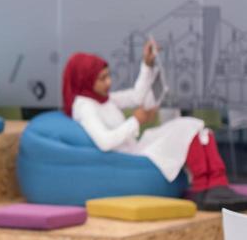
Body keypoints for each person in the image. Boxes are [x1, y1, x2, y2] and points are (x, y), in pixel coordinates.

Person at [62, 41, 234, 201]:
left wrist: (147, 64)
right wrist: (136, 120)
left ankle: (217, 183)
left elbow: (137, 96)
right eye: (102, 78)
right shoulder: (85, 106)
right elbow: (105, 142)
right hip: (130, 158)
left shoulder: (101, 99)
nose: (109, 82)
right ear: (85, 79)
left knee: (195, 127)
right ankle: (203, 186)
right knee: (185, 130)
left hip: (136, 147)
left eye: (108, 76)